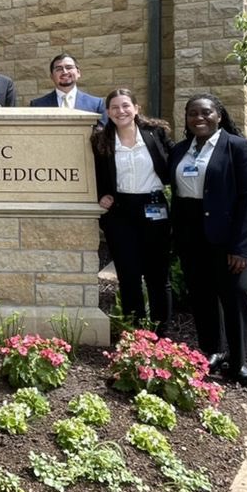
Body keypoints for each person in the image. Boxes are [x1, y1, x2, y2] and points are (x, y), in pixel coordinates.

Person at [169, 93, 247, 386]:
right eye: (192, 113)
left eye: (206, 112)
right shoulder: (180, 150)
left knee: (236, 296)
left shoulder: (238, 148)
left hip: (226, 235)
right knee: (202, 296)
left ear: (219, 115)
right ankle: (212, 351)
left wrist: (241, 247)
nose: (199, 118)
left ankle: (239, 360)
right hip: (190, 233)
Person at [91, 89, 174, 335]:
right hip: (120, 213)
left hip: (154, 208)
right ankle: (136, 335)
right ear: (108, 112)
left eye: (126, 105)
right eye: (114, 107)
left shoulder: (156, 134)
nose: (121, 111)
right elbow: (94, 173)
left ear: (136, 108)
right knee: (128, 276)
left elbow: (174, 164)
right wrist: (101, 194)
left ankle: (161, 335)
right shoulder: (101, 140)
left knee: (158, 277)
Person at [30, 52, 106, 127]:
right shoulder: (38, 106)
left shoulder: (96, 104)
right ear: (52, 76)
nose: (65, 72)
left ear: (78, 73)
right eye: (59, 69)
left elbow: (104, 136)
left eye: (69, 67)